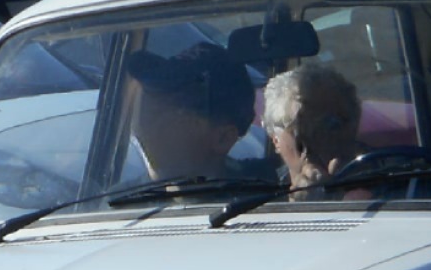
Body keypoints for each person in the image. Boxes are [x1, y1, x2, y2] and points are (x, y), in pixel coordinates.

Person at [125, 44, 259, 180]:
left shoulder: (267, 194)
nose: (142, 132)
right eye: (146, 114)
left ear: (223, 138)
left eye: (167, 121)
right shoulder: (115, 198)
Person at [262, 64, 363, 193]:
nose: (319, 140)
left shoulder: (385, 178)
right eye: (301, 132)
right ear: (275, 139)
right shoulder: (256, 189)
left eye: (331, 124)